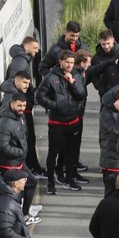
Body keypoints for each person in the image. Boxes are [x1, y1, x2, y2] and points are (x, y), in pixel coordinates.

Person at [36, 50, 86, 194]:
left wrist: (72, 83)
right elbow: (40, 96)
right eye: (67, 62)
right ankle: (51, 183)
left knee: (71, 153)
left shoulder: (76, 75)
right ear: (60, 62)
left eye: (71, 62)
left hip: (73, 120)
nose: (70, 65)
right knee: (53, 153)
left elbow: (81, 94)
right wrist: (55, 105)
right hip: (57, 122)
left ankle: (70, 179)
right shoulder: (51, 77)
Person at [0, 94, 39, 224]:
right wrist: (20, 151)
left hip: (18, 162)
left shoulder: (18, 117)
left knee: (31, 182)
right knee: (15, 192)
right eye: (19, 105)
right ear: (12, 103)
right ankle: (19, 218)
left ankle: (24, 214)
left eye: (24, 106)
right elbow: (2, 146)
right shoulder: (6, 123)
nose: (22, 108)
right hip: (10, 164)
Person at [5, 38, 45, 176]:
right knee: (28, 139)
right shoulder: (21, 63)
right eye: (35, 48)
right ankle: (31, 168)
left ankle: (33, 167)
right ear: (26, 46)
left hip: (25, 107)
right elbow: (15, 85)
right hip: (24, 109)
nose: (37, 50)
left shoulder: (22, 60)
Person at [87, 29, 119, 97]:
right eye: (103, 44)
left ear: (113, 40)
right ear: (100, 42)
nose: (106, 47)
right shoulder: (96, 57)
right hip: (104, 92)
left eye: (108, 43)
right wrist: (99, 86)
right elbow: (92, 74)